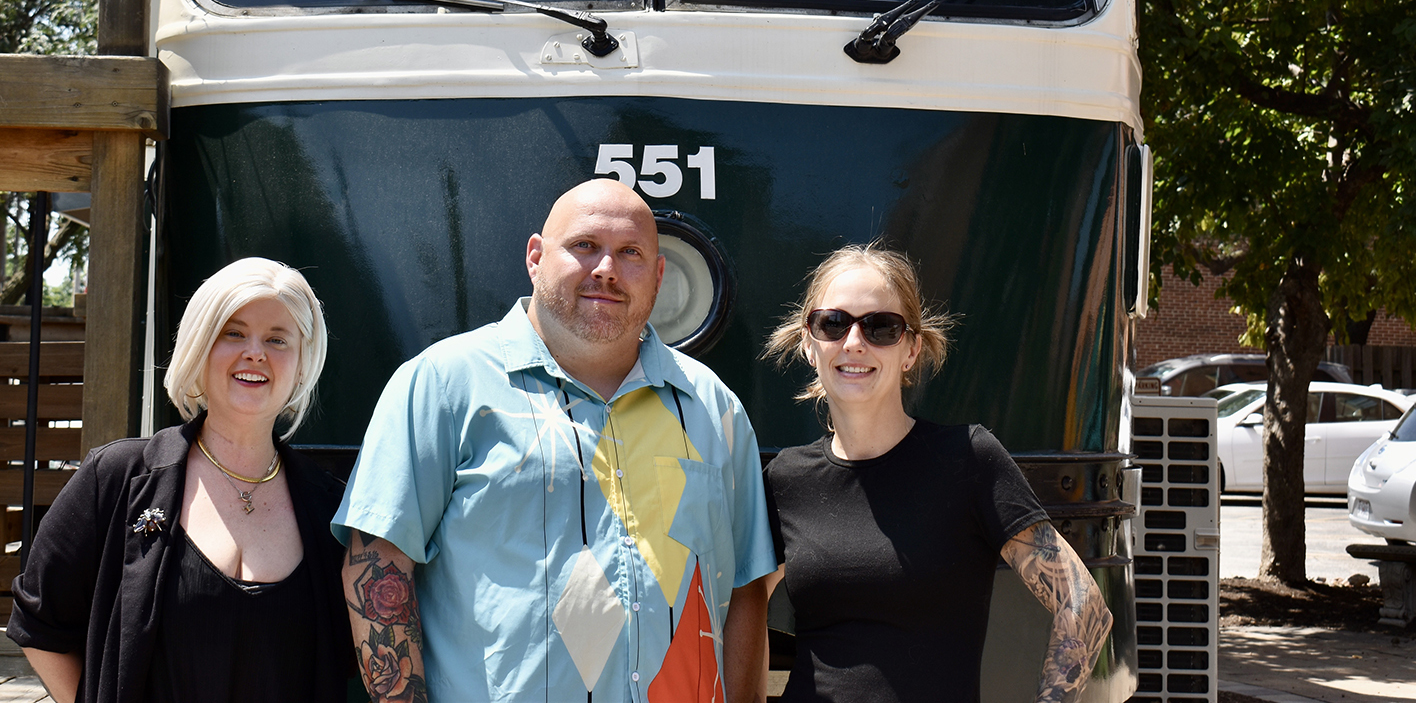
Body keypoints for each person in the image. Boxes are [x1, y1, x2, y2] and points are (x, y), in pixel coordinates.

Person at [333, 178, 776, 702]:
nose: (606, 269)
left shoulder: (714, 407)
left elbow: (746, 589)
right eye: (585, 246)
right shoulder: (443, 384)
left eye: (629, 253)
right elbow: (380, 564)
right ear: (536, 257)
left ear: (658, 277)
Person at [759, 245, 1114, 703]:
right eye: (833, 323)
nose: (853, 342)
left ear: (911, 349)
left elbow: (1085, 606)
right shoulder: (786, 478)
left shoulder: (968, 459)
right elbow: (732, 610)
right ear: (809, 343)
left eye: (880, 327)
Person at [7, 258, 351, 703]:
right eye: (233, 332)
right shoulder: (116, 477)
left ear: (302, 366)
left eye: (277, 339)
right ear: (199, 345)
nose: (255, 352)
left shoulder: (329, 509)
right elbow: (37, 622)